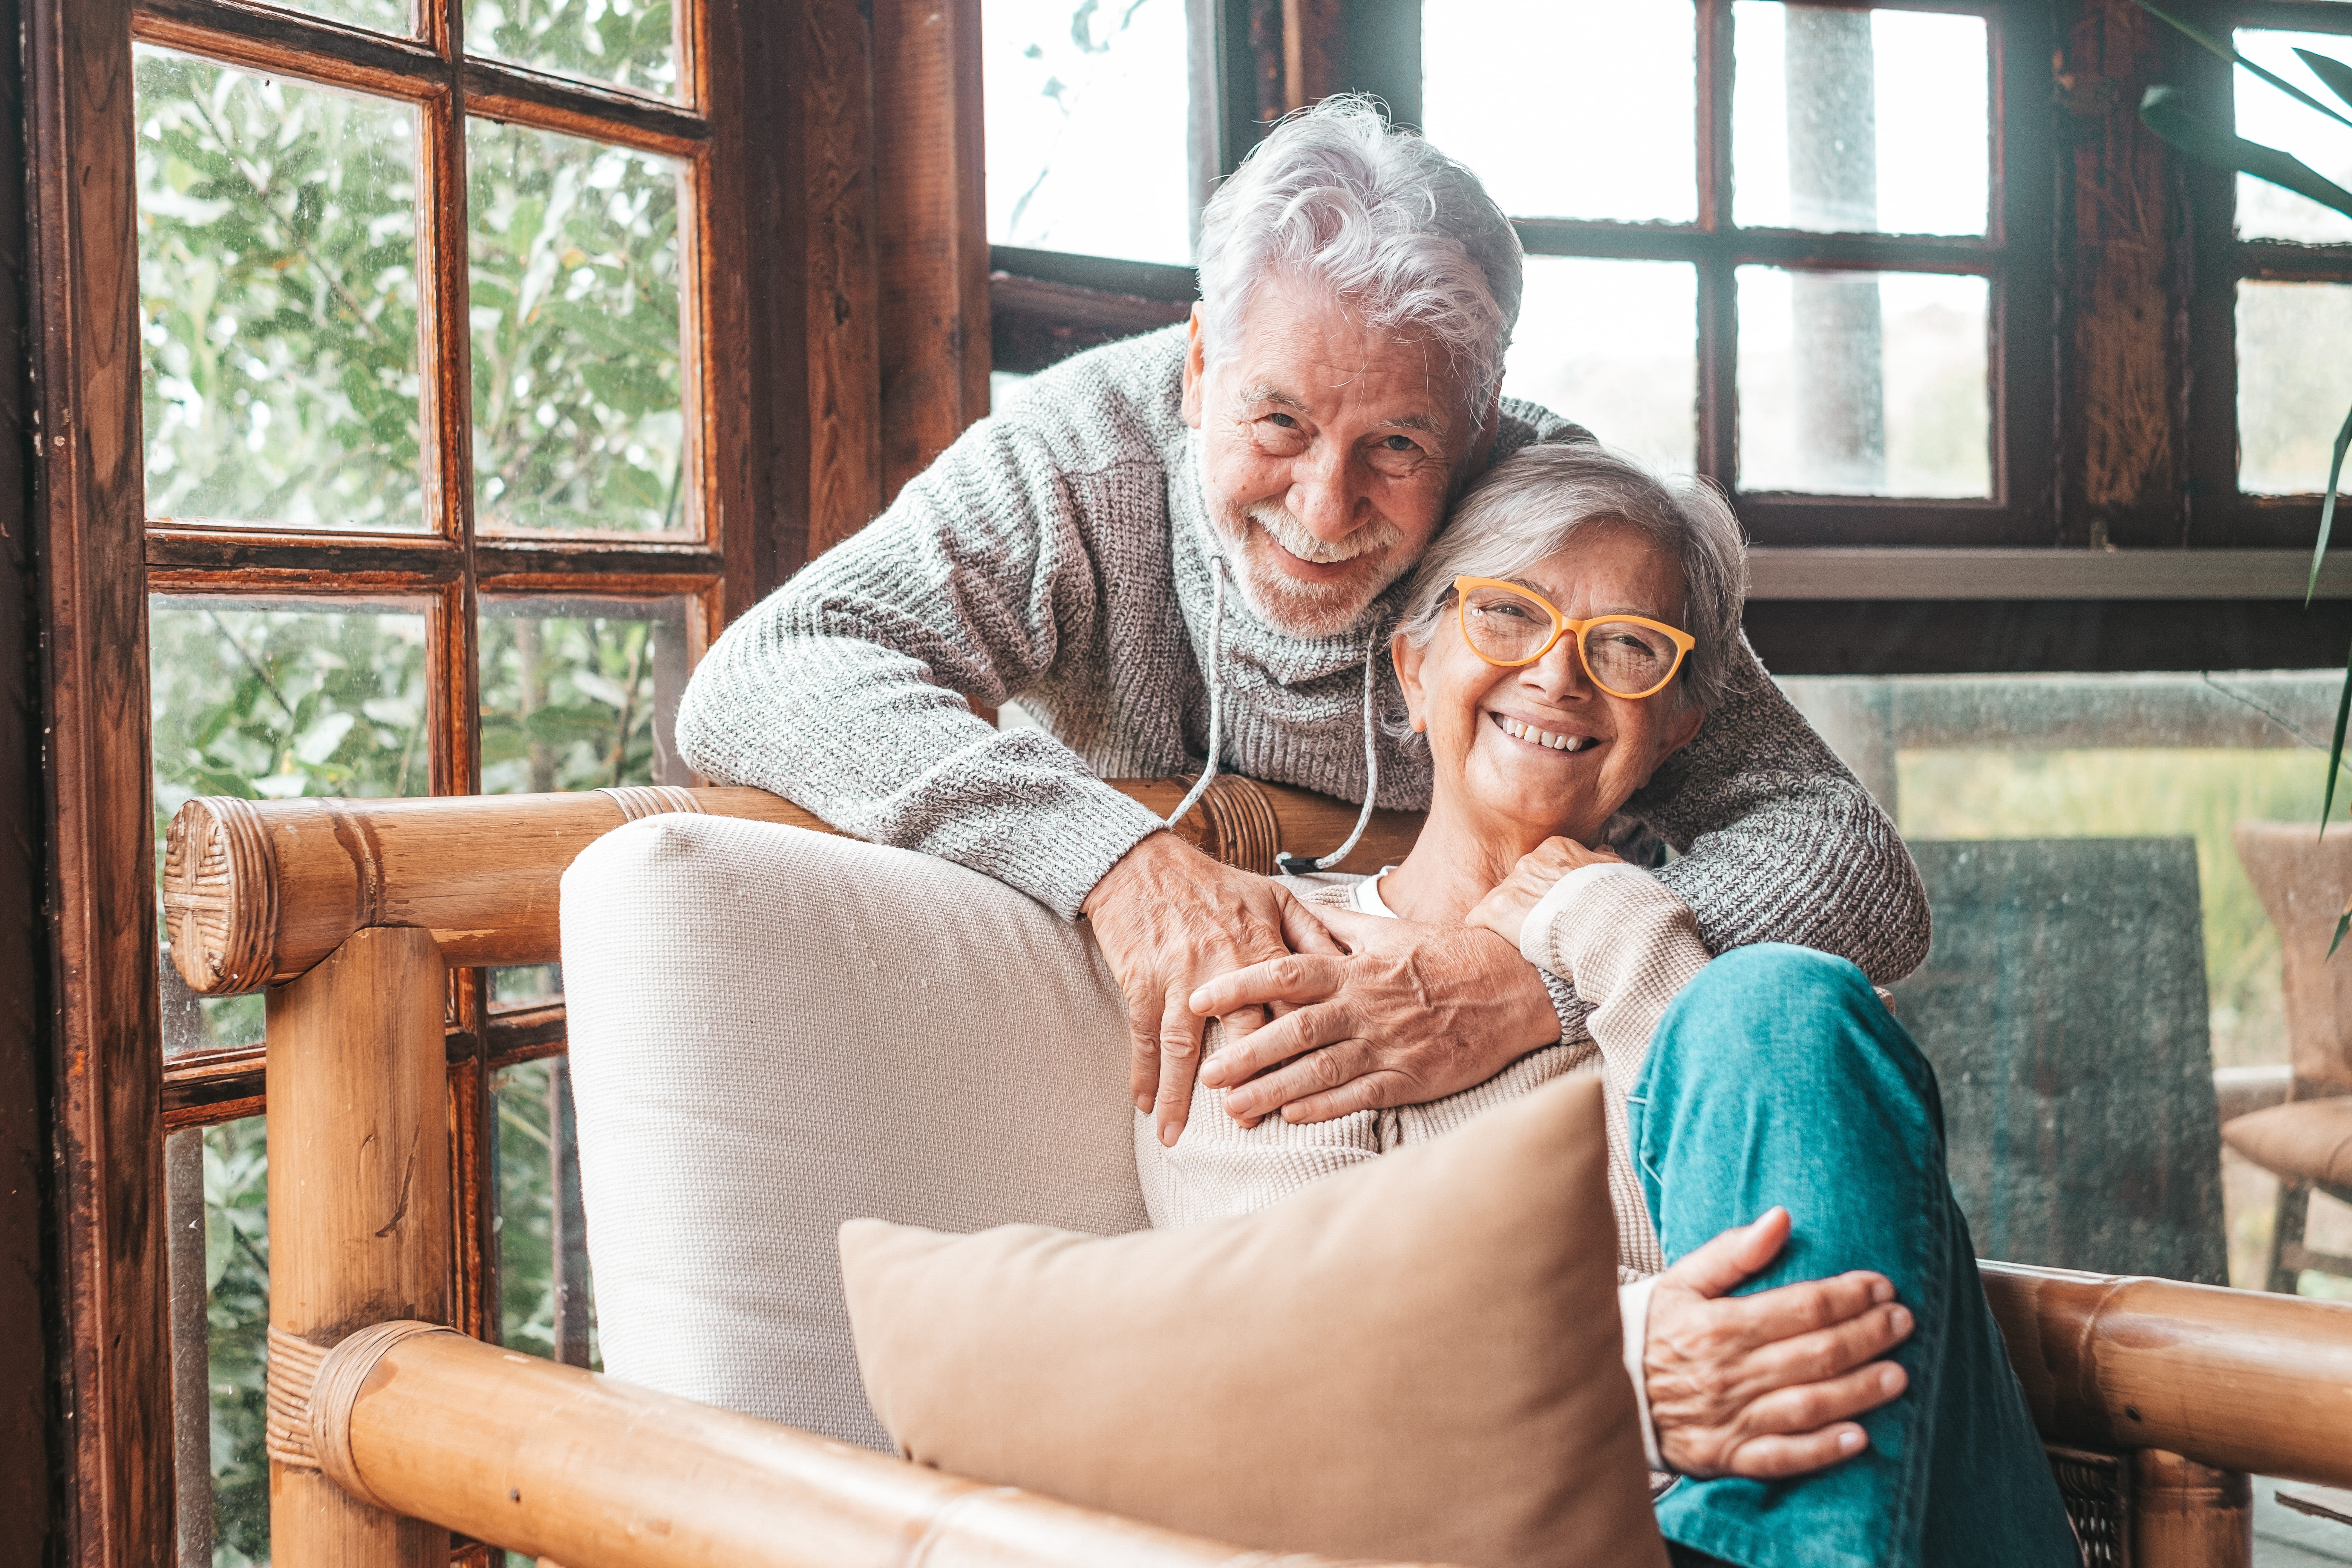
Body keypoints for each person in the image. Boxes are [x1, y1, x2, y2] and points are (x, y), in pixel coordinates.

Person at [673, 95, 1930, 1476]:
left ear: (1480, 421)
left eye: (1398, 446)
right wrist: (1119, 862)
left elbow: (1849, 863)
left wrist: (1524, 974)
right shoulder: (1080, 460)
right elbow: (774, 669)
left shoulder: (1547, 514)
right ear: (1203, 359)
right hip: (1293, 1164)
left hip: (1578, 1109)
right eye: (1278, 420)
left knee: (1799, 1041)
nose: (1325, 508)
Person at [1154, 443, 2075, 1568]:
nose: (1557, 675)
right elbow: (1297, 1336)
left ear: (1681, 725)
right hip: (1552, 1527)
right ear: (1413, 667)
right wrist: (1631, 1363)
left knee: (1787, 1002)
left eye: (1626, 646)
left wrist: (1607, 916)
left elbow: (1757, 1247)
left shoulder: (1694, 970)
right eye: (1507, 617)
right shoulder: (1281, 966)